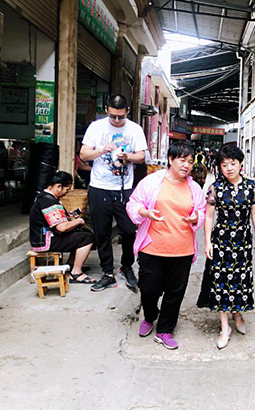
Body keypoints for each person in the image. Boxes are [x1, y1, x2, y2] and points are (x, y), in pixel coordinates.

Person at [126, 143, 206, 350]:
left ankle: (165, 330)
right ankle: (150, 315)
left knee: (174, 293)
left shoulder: (194, 188)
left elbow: (202, 210)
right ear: (170, 159)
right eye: (182, 160)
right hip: (152, 247)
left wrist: (196, 217)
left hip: (182, 249)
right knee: (149, 289)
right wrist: (144, 212)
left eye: (190, 162)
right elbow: (133, 203)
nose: (187, 165)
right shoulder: (151, 182)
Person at [80, 94, 148, 292]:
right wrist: (102, 150)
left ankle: (126, 266)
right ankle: (107, 273)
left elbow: (141, 157)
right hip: (99, 187)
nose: (117, 120)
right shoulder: (96, 127)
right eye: (112, 116)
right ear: (106, 110)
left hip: (124, 189)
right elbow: (84, 154)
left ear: (127, 111)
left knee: (128, 231)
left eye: (121, 116)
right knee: (102, 232)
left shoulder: (135, 129)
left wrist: (128, 156)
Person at [199, 144, 255, 350]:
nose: (229, 168)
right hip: (221, 241)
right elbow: (209, 216)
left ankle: (237, 314)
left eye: (233, 164)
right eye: (224, 164)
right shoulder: (215, 188)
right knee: (221, 282)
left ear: (240, 164)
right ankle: (224, 327)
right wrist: (207, 242)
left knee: (240, 280)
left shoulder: (251, 187)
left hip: (243, 242)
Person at [29, 171, 96, 284]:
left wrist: (68, 215)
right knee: (87, 238)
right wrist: (79, 220)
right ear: (58, 186)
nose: (66, 192)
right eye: (66, 189)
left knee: (82, 232)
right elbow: (62, 227)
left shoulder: (45, 197)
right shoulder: (48, 201)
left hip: (42, 238)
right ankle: (76, 273)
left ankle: (71, 265)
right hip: (45, 241)